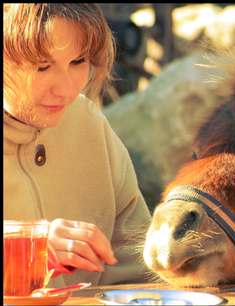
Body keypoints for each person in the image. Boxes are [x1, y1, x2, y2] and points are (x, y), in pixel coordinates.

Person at [3, 3, 153, 288]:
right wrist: (20, 250)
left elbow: (137, 273)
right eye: (43, 66)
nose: (68, 89)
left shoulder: (88, 123)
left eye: (78, 61)